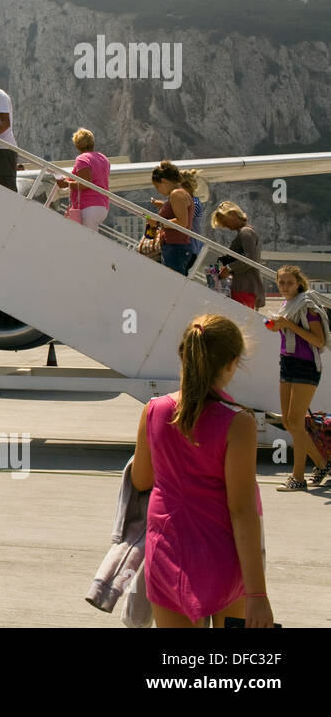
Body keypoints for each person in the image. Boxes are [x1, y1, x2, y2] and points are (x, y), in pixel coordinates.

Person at [131, 314, 272, 628]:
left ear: (185, 355)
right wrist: (258, 595)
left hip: (169, 554)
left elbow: (141, 480)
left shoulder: (154, 410)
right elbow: (241, 509)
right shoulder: (238, 422)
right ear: (232, 363)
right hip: (223, 556)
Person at [267, 265, 329, 491]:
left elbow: (319, 341)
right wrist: (278, 327)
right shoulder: (287, 306)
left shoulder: (307, 306)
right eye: (281, 282)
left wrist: (288, 325)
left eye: (289, 283)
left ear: (299, 283)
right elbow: (289, 333)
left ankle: (298, 477)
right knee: (288, 421)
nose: (284, 287)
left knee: (295, 421)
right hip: (288, 362)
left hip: (306, 365)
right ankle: (322, 464)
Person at [211, 201, 265, 309]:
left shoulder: (246, 233)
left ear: (233, 214)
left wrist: (229, 268)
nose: (224, 225)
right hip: (244, 286)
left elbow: (250, 259)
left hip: (245, 287)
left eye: (224, 221)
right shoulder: (245, 232)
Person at [150, 161, 199, 276]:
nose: (158, 191)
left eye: (157, 187)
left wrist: (158, 223)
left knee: (172, 283)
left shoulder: (177, 194)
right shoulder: (182, 194)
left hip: (176, 248)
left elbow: (182, 222)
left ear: (164, 181)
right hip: (177, 247)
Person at [57, 128, 110, 230]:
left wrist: (66, 184)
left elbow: (85, 184)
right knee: (90, 239)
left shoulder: (82, 159)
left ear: (77, 145)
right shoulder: (103, 158)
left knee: (88, 241)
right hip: (103, 206)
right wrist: (68, 180)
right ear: (92, 142)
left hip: (89, 207)